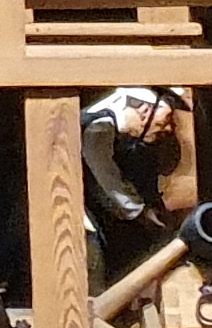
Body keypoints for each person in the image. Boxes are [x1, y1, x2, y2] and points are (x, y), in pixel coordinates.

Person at [80, 87, 188, 273]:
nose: (168, 128)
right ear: (145, 111)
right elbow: (107, 179)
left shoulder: (115, 134)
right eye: (166, 119)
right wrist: (140, 212)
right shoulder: (99, 127)